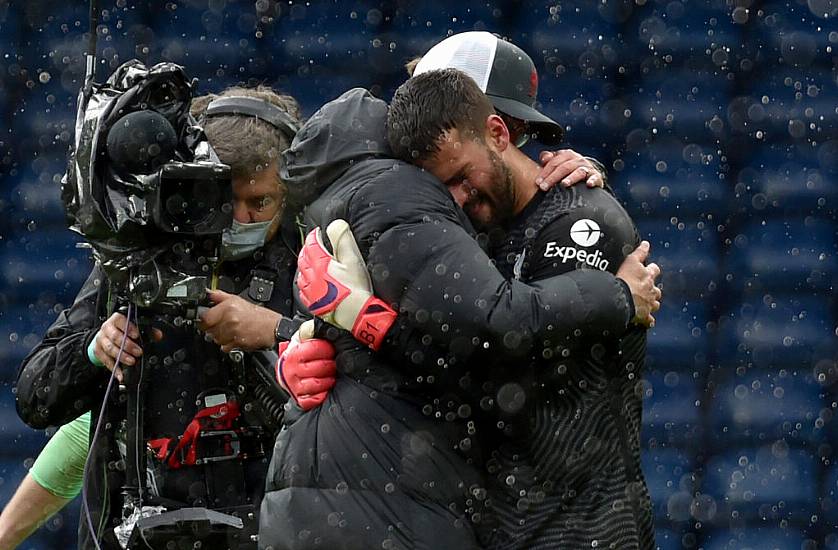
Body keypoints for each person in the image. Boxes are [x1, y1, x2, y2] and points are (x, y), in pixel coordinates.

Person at [260, 70, 660, 550]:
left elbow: (500, 372)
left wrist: (371, 324)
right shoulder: (473, 234)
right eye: (439, 187)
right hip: (504, 525)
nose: (459, 198)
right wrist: (312, 344)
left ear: (498, 132)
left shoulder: (579, 219)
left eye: (461, 177)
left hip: (582, 526)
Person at [14, 85, 305, 550]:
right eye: (227, 199)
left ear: (292, 191)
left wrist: (276, 332)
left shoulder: (313, 255)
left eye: (262, 202)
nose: (242, 217)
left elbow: (364, 392)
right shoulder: (141, 256)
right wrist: (94, 351)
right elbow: (37, 398)